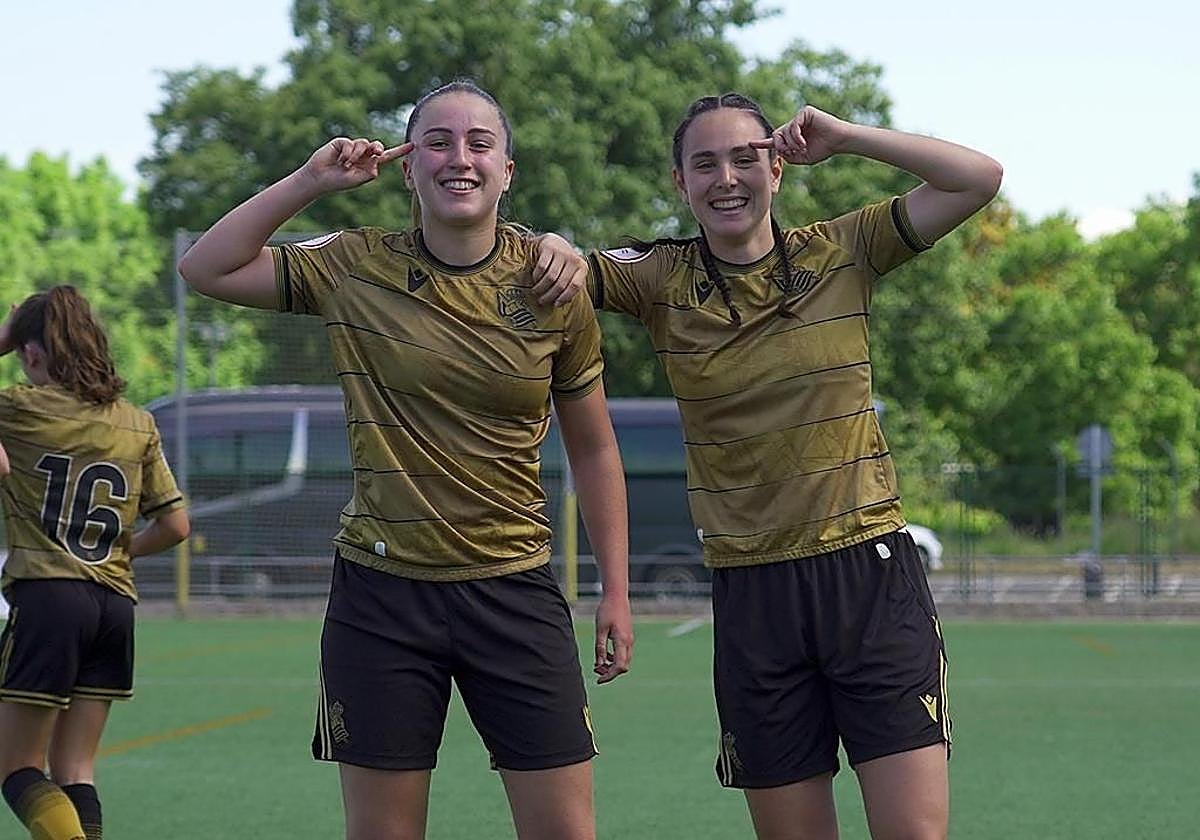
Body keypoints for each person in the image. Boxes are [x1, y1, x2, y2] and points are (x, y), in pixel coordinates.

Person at [177, 80, 633, 840]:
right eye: (438, 142)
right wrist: (310, 181)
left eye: (480, 143)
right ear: (407, 165)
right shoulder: (353, 265)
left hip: (513, 589)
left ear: (507, 169)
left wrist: (615, 591)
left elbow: (593, 446)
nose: (461, 158)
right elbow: (207, 269)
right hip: (381, 597)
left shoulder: (554, 281)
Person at [570, 94, 1002, 839]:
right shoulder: (659, 279)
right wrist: (546, 243)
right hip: (754, 592)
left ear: (777, 165)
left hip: (869, 580)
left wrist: (845, 137)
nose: (726, 178)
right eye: (704, 164)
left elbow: (978, 178)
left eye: (745, 157)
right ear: (680, 183)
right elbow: (548, 273)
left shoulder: (843, 249)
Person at [0, 286, 191, 840]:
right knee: (76, 770)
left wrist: (6, 336)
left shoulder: (18, 408)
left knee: (17, 767)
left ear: (32, 353)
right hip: (114, 605)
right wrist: (120, 548)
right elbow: (175, 526)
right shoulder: (135, 421)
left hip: (48, 599)